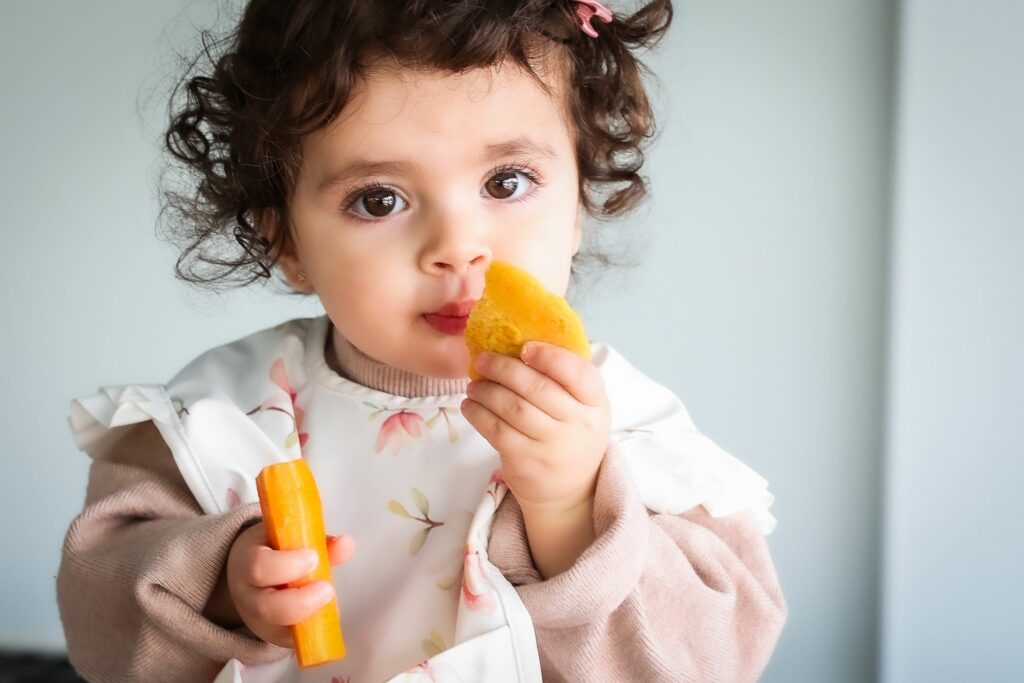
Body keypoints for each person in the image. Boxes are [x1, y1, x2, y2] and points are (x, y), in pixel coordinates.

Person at [57, 1, 787, 681]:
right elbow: (97, 618)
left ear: (577, 206)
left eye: (506, 183)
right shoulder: (222, 410)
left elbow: (720, 651)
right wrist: (218, 585)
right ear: (286, 239)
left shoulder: (625, 423)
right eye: (380, 199)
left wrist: (569, 510)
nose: (457, 246)